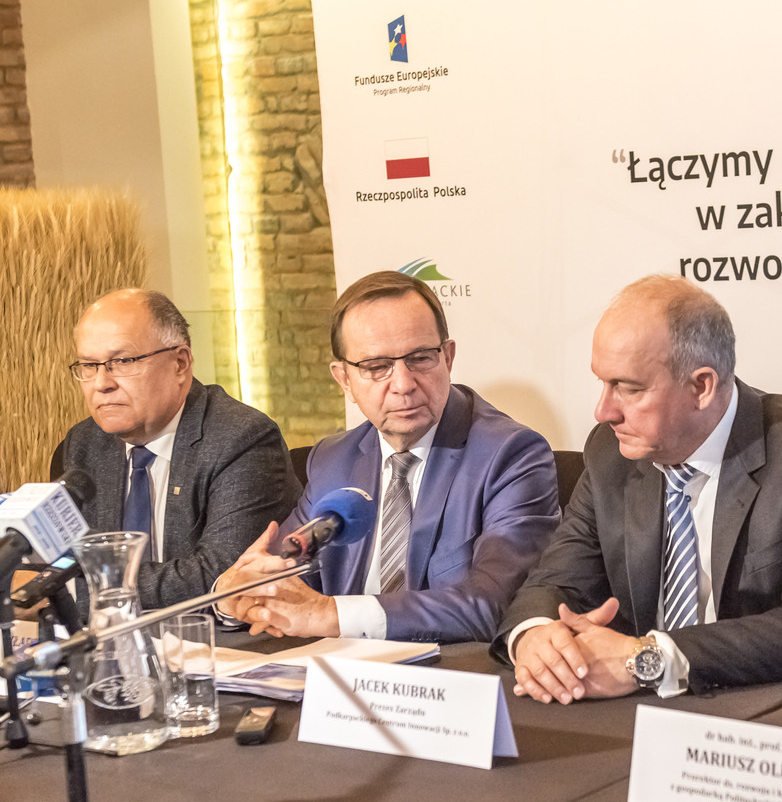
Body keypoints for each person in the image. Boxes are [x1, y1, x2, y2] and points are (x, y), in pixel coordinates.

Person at [500, 275, 782, 703]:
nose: (603, 410)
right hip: (646, 709)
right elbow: (553, 583)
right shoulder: (611, 452)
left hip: (776, 703)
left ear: (701, 387)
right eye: (602, 383)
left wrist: (647, 657)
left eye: (629, 388)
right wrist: (536, 638)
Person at [214, 271, 560, 643]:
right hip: (340, 669)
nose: (403, 384)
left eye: (420, 358)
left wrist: (329, 615)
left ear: (448, 357)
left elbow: (492, 604)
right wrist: (234, 596)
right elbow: (281, 574)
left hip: (449, 670)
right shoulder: (334, 460)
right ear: (344, 380)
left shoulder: (509, 455)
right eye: (377, 367)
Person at [57, 288, 298, 609]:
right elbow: (69, 558)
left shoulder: (240, 438)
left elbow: (221, 580)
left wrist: (61, 592)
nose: (102, 383)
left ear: (180, 363)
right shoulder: (86, 443)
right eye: (89, 365)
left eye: (122, 361)